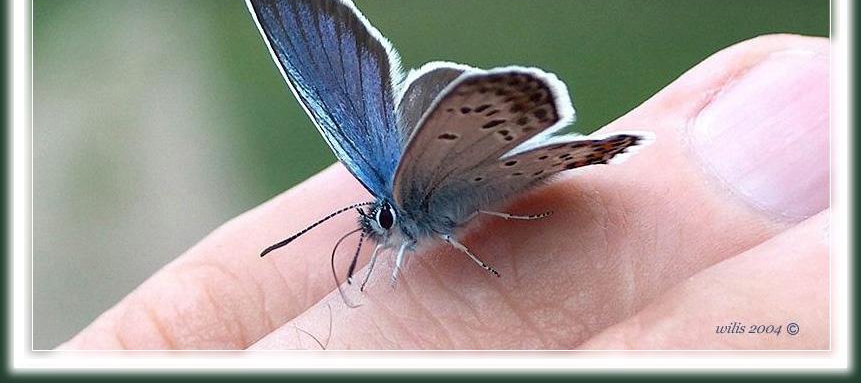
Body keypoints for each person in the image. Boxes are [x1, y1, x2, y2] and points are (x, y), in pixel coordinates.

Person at [59, 34, 829, 350]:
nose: (369, 228)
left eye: (376, 223)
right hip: (475, 148)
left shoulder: (409, 204)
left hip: (479, 154)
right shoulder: (389, 198)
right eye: (373, 221)